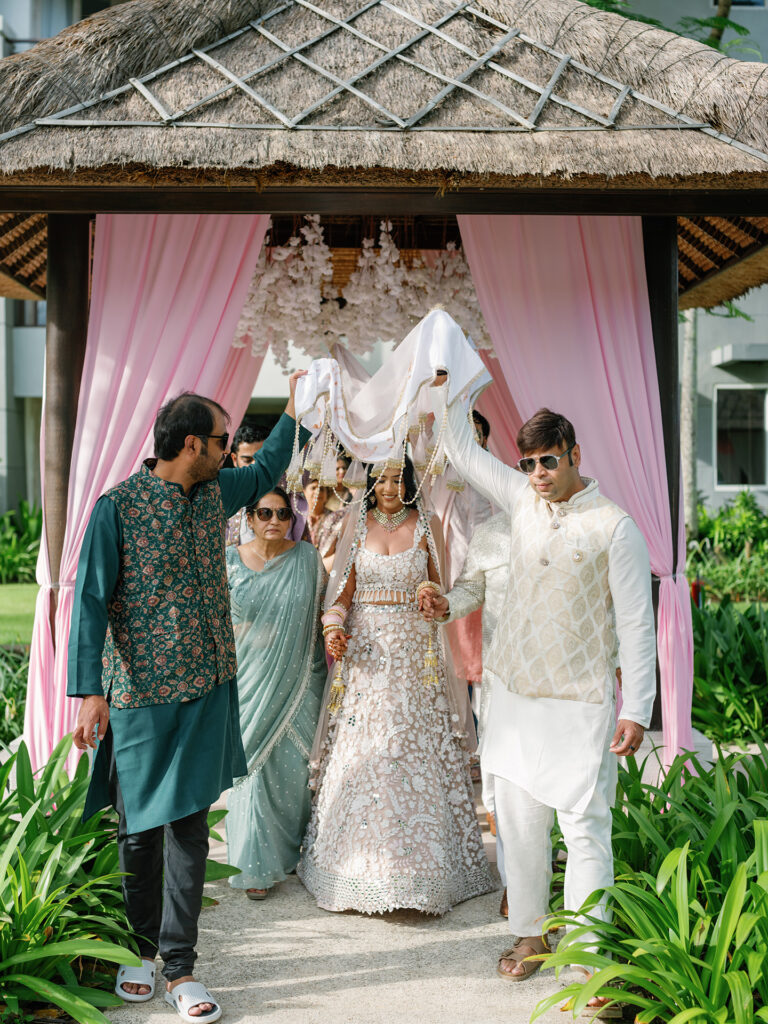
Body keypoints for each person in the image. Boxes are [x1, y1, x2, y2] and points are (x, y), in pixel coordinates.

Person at [68, 374, 310, 1023]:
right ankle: (137, 954)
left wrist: (295, 410)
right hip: (139, 695)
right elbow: (90, 601)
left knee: (189, 830)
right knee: (139, 833)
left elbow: (266, 468)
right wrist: (89, 691)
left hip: (207, 688)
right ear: (193, 444)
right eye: (222, 440)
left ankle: (180, 967)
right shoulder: (117, 507)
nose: (229, 451)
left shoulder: (214, 495)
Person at [426, 381, 655, 991]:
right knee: (520, 827)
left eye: (548, 461)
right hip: (513, 699)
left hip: (579, 703)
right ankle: (530, 933)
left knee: (585, 829)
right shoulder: (520, 502)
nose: (536, 475)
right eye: (526, 464)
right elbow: (461, 448)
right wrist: (451, 380)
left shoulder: (615, 527)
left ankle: (587, 952)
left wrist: (637, 708)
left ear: (575, 454)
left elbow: (637, 623)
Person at [297, 458, 494, 915]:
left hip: (413, 660)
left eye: (397, 479)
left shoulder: (426, 524)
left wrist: (428, 596)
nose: (389, 487)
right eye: (381, 479)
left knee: (409, 749)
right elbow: (341, 597)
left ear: (409, 482)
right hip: (365, 659)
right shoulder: (355, 524)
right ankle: (355, 868)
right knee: (366, 751)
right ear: (370, 482)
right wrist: (333, 628)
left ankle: (423, 871)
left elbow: (440, 589)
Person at [225, 486, 326, 901]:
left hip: (300, 679)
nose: (274, 521)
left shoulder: (307, 559)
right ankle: (253, 865)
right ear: (248, 518)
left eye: (283, 514)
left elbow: (323, 617)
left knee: (293, 770)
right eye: (265, 513)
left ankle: (290, 853)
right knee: (250, 771)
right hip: (246, 680)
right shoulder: (228, 561)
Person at [422, 511, 511, 917]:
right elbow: (471, 589)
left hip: (562, 686)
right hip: (501, 681)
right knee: (497, 785)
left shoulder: (586, 523)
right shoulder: (492, 531)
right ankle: (516, 883)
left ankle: (551, 881)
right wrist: (445, 605)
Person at [225, 421, 269, 547]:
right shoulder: (223, 495)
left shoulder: (293, 498)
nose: (255, 467)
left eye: (261, 460)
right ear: (234, 459)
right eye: (247, 460)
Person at [303, 474, 345, 572]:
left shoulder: (336, 519)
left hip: (327, 570)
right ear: (304, 492)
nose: (318, 491)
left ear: (327, 495)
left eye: (322, 489)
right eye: (313, 488)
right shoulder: (298, 519)